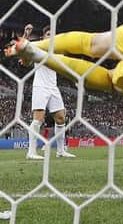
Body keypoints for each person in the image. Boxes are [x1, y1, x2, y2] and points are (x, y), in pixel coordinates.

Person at [25, 24, 75, 160]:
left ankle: (60, 150)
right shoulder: (37, 47)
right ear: (43, 37)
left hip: (53, 87)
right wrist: (26, 35)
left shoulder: (58, 51)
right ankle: (31, 152)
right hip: (40, 86)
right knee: (38, 119)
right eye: (48, 34)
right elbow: (23, 54)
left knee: (60, 117)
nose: (51, 36)